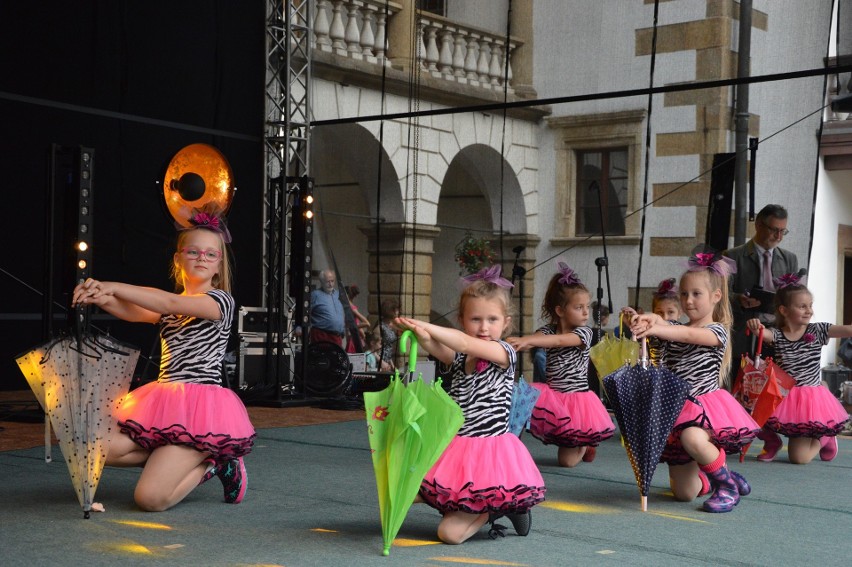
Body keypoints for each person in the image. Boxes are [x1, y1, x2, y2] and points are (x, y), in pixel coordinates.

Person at [71, 214, 255, 511]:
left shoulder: (220, 301)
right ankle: (168, 457)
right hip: (165, 399)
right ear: (178, 258)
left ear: (219, 265)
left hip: (199, 409)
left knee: (150, 499)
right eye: (193, 251)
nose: (202, 258)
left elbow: (166, 302)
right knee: (96, 446)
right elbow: (134, 311)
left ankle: (217, 463)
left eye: (211, 254)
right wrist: (98, 296)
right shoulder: (172, 303)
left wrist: (111, 285)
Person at [395, 265, 545, 544]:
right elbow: (433, 344)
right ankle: (492, 505)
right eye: (476, 319)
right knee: (409, 487)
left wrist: (426, 323)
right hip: (459, 446)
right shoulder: (462, 358)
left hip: (490, 453)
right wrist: (415, 328)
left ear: (506, 322)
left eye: (492, 319)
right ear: (462, 319)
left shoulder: (504, 352)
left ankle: (501, 507)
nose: (484, 327)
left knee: (449, 534)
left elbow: (462, 343)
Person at [629, 250, 758, 513]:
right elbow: (666, 329)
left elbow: (686, 334)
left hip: (703, 410)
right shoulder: (674, 326)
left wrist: (659, 326)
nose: (688, 301)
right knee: (684, 495)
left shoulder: (716, 330)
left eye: (696, 294)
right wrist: (646, 321)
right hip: (673, 409)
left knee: (693, 439)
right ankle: (720, 473)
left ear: (716, 297)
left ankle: (727, 488)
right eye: (684, 294)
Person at [508, 263, 614, 467]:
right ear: (560, 310)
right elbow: (541, 337)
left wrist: (527, 341)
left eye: (586, 307)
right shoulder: (548, 330)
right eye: (578, 307)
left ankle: (585, 444)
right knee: (519, 397)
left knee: (566, 462)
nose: (585, 313)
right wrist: (520, 342)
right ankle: (511, 449)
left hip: (577, 401)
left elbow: (558, 341)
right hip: (554, 397)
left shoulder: (584, 333)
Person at [746, 274, 852, 463]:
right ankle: (772, 442)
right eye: (802, 306)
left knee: (799, 458)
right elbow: (764, 333)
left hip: (807, 400)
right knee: (747, 408)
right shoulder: (777, 334)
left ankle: (825, 437)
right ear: (784, 310)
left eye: (810, 305)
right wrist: (755, 327)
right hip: (782, 395)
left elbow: (847, 329)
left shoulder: (818, 330)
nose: (809, 310)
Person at [724, 204, 799, 367]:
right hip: (744, 333)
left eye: (783, 231)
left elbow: (794, 297)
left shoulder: (789, 259)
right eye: (774, 230)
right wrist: (739, 299)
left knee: (775, 389)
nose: (779, 236)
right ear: (758, 225)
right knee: (742, 387)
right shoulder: (732, 256)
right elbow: (720, 295)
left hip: (777, 334)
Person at [309, 269, 346, 348]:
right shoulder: (315, 295)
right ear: (322, 282)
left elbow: (341, 313)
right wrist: (298, 328)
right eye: (327, 281)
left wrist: (342, 330)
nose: (330, 284)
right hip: (321, 336)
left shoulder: (338, 295)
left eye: (332, 281)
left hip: (337, 337)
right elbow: (304, 312)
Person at [344, 284, 371, 353]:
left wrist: (356, 328)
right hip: (354, 336)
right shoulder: (351, 307)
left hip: (354, 335)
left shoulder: (349, 306)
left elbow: (359, 322)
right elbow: (367, 323)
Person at [378, 297, 400, 370]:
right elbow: (371, 349)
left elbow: (388, 347)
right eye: (396, 310)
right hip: (379, 364)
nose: (398, 312)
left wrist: (393, 366)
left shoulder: (390, 326)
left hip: (387, 363)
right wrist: (381, 362)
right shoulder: (380, 327)